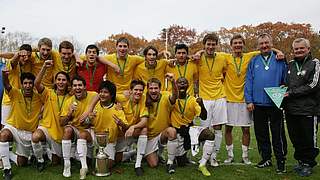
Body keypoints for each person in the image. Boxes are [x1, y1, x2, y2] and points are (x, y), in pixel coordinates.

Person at [245, 33, 287, 173]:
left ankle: (281, 160)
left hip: (275, 102)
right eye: (261, 44)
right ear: (258, 46)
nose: (264, 46)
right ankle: (266, 158)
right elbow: (249, 81)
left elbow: (286, 78)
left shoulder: (280, 59)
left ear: (271, 43)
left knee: (277, 134)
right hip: (258, 104)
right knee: (261, 134)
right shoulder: (254, 61)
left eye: (266, 43)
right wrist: (249, 100)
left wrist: (284, 86)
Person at [284, 38, 320, 177]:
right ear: (293, 50)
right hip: (291, 109)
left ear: (308, 49)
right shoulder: (291, 64)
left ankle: (309, 163)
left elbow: (314, 85)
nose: (298, 51)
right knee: (295, 137)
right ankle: (301, 161)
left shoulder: (315, 63)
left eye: (301, 48)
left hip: (308, 109)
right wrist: (283, 89)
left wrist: (291, 93)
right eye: (296, 49)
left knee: (308, 138)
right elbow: (287, 83)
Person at [0, 72, 42, 180]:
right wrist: (4, 75)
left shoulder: (39, 97)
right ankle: (7, 169)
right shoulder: (15, 93)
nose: (27, 86)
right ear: (22, 84)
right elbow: (7, 85)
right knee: (3, 135)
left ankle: (5, 153)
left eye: (30, 83)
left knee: (21, 163)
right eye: (25, 83)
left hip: (28, 133)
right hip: (13, 127)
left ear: (33, 85)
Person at [31, 58, 71, 172]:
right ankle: (40, 160)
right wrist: (44, 67)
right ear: (55, 82)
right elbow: (37, 83)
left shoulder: (71, 97)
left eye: (63, 80)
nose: (61, 82)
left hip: (60, 133)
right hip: (46, 128)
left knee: (55, 162)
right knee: (35, 136)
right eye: (58, 79)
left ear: (67, 82)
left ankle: (46, 150)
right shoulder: (48, 92)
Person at [170, 77, 214, 176]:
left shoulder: (193, 100)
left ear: (188, 86)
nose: (182, 84)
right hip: (176, 132)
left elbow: (204, 117)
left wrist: (202, 104)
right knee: (181, 163)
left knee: (209, 134)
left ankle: (202, 164)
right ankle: (182, 156)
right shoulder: (171, 98)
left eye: (184, 83)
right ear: (175, 85)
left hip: (189, 129)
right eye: (179, 82)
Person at [196, 33, 228, 167]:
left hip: (219, 96)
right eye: (208, 44)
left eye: (213, 44)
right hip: (204, 98)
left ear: (216, 45)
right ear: (204, 45)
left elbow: (226, 73)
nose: (210, 46)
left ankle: (213, 157)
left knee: (218, 127)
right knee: (204, 129)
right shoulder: (197, 58)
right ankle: (205, 156)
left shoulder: (222, 58)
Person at [59, 75, 97, 178]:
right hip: (77, 130)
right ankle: (67, 164)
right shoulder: (69, 101)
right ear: (72, 88)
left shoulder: (93, 95)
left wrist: (88, 113)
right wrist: (69, 114)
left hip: (90, 131)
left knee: (83, 135)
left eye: (80, 85)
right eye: (75, 86)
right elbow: (62, 122)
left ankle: (84, 164)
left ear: (85, 87)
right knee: (67, 130)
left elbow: (100, 95)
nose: (77, 88)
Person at [88, 80, 128, 178]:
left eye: (105, 92)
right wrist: (89, 118)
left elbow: (126, 126)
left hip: (109, 141)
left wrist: (121, 123)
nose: (102, 94)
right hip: (95, 136)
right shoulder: (94, 106)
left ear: (111, 95)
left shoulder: (117, 109)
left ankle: (129, 154)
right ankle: (85, 158)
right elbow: (86, 123)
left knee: (107, 165)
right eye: (101, 92)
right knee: (83, 135)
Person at [144, 77, 177, 173]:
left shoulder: (165, 96)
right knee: (153, 164)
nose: (153, 91)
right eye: (151, 88)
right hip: (149, 138)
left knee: (172, 131)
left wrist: (173, 82)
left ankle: (170, 162)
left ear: (160, 88)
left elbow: (174, 96)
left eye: (155, 88)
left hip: (162, 135)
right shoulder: (143, 98)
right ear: (147, 89)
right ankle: (135, 153)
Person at [120, 80, 148, 176]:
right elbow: (104, 95)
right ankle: (132, 153)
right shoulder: (121, 98)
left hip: (133, 132)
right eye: (136, 90)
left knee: (144, 130)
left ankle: (138, 164)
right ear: (130, 90)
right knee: (115, 161)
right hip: (121, 133)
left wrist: (133, 127)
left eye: (141, 90)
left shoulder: (143, 99)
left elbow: (144, 121)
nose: (138, 92)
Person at [1, 44, 33, 128]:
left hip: (22, 100)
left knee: (18, 126)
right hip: (8, 100)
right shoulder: (12, 62)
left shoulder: (28, 63)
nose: (26, 58)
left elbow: (37, 49)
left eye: (28, 56)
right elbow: (13, 62)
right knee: (5, 126)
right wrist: (18, 54)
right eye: (23, 56)